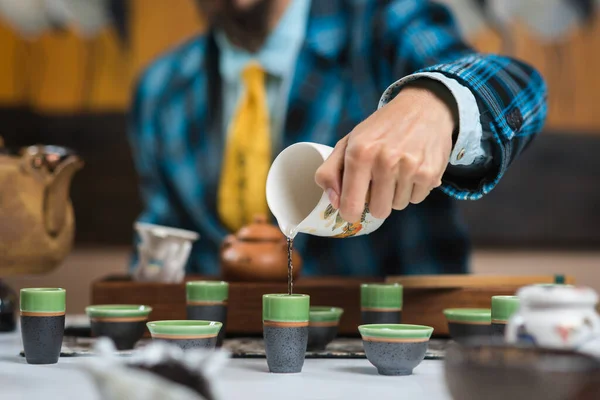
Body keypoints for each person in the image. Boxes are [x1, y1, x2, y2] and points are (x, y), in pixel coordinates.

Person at [128, 0, 547, 277]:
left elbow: (521, 87)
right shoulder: (160, 88)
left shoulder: (382, 22)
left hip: (392, 352)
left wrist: (436, 100)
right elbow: (160, 250)